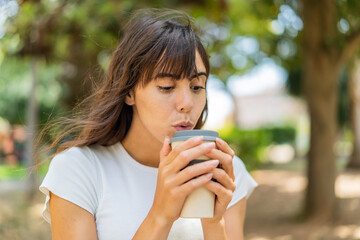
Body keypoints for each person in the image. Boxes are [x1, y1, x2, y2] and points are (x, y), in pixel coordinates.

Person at [38, 8, 258, 240]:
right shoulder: (80, 170)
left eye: (196, 87)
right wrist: (161, 215)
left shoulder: (225, 171)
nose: (186, 104)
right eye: (166, 87)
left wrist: (214, 223)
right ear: (129, 92)